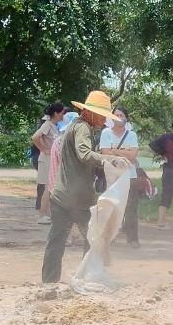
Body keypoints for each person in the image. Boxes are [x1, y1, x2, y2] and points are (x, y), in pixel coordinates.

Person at [42, 90, 127, 284]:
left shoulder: (74, 126)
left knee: (55, 242)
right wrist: (109, 159)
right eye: (102, 116)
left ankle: (48, 282)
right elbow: (85, 154)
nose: (103, 121)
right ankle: (89, 278)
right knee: (94, 240)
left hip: (61, 195)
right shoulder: (83, 128)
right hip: (78, 200)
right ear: (90, 112)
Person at [98, 106, 142, 246]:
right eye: (116, 115)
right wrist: (124, 152)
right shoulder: (106, 133)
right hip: (111, 175)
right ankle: (110, 236)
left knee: (131, 208)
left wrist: (114, 150)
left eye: (121, 115)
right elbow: (105, 152)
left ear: (126, 118)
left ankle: (133, 239)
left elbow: (133, 156)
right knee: (110, 206)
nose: (118, 117)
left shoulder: (132, 135)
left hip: (129, 175)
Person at [32, 102, 66, 223]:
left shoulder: (54, 125)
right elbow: (35, 137)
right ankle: (42, 215)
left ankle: (47, 214)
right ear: (56, 113)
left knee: (51, 187)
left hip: (51, 160)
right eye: (62, 112)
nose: (63, 115)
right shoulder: (47, 124)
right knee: (47, 187)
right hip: (46, 159)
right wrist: (44, 149)